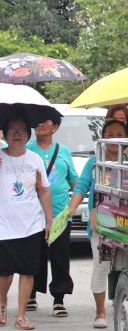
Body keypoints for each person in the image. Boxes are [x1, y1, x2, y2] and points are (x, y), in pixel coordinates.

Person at [68, 117, 128, 328]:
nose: (115, 139)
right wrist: (71, 208)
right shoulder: (93, 161)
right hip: (101, 223)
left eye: (120, 135)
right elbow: (82, 186)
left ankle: (127, 310)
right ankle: (100, 312)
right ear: (102, 138)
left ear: (127, 139)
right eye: (110, 135)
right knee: (101, 266)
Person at [0, 114, 53, 331]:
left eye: (21, 129)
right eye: (12, 129)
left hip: (31, 224)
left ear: (28, 134)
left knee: (28, 270)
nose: (17, 133)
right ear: (4, 134)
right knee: (4, 272)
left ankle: (21, 314)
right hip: (3, 225)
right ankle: (2, 303)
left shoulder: (35, 159)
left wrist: (49, 221)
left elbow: (44, 191)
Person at [26, 112, 78, 317]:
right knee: (33, 255)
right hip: (32, 215)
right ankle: (30, 294)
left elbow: (73, 179)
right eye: (38, 121)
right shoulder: (27, 149)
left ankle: (59, 299)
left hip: (60, 215)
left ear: (55, 127)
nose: (40, 124)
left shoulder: (63, 151)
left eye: (46, 121)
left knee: (60, 257)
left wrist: (81, 196)